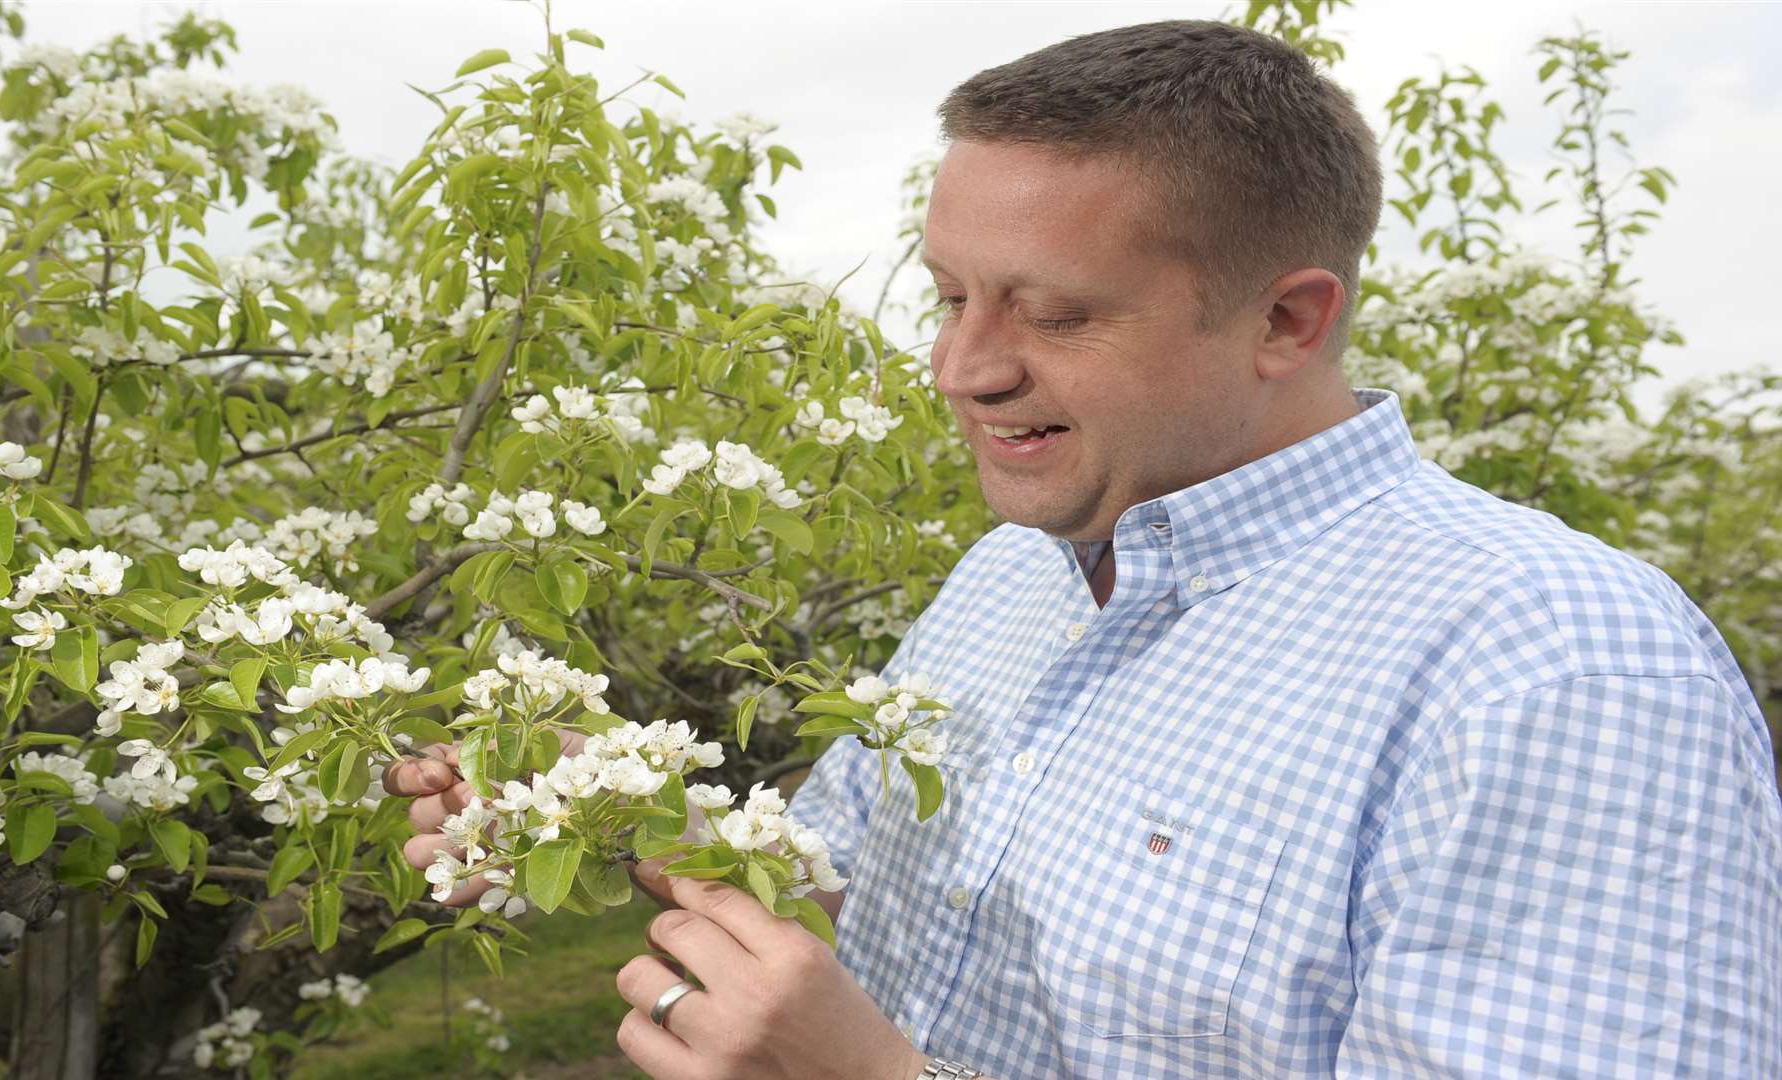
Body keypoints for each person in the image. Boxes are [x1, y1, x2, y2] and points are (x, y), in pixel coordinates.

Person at [385, 19, 1782, 1079]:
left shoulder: (1557, 671)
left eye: (1051, 315)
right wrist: (614, 809)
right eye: (948, 296)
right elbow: (863, 888)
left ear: (1288, 322)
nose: (960, 369)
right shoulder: (1014, 575)